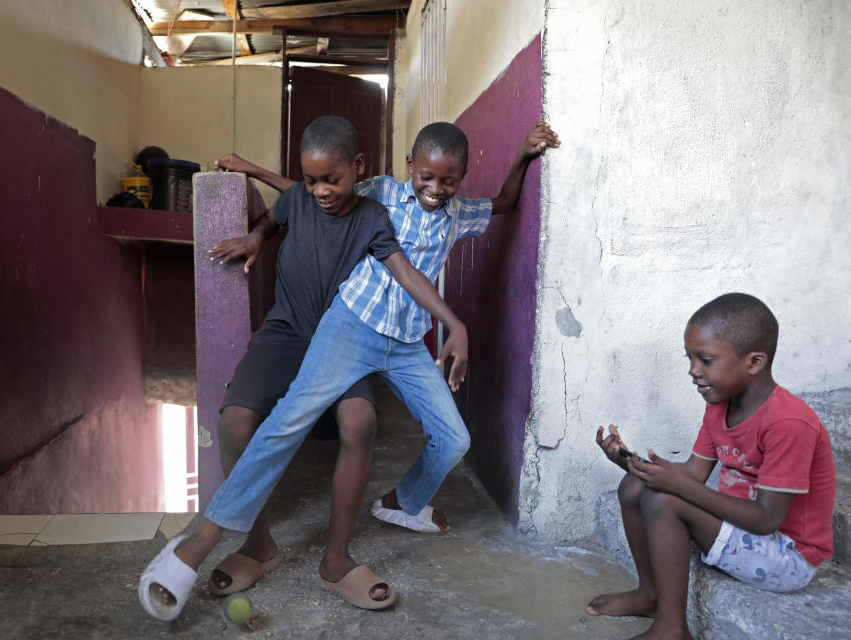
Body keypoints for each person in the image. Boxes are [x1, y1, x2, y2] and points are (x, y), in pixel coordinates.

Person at [139, 115, 470, 620]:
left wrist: (453, 323)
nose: (319, 191)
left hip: (341, 337)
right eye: (311, 179)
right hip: (288, 330)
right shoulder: (301, 197)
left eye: (330, 180)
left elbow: (404, 270)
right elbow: (280, 212)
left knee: (360, 422)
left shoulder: (374, 217)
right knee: (235, 421)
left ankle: (335, 561)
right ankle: (257, 545)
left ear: (357, 169)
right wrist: (255, 237)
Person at [215, 120, 559, 534]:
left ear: (461, 178)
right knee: (296, 415)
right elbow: (314, 191)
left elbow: (504, 202)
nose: (435, 188)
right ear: (410, 165)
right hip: (355, 325)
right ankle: (226, 521)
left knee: (454, 440)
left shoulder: (459, 212)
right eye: (426, 176)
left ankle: (402, 503)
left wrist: (523, 153)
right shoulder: (381, 192)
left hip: (408, 342)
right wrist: (252, 172)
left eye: (448, 181)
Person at [590, 293, 835, 640]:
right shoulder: (720, 405)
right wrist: (628, 463)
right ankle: (650, 595)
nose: (693, 371)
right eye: (690, 358)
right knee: (634, 487)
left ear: (753, 363)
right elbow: (692, 474)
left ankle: (673, 629)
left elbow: (767, 519)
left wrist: (680, 488)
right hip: (742, 530)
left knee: (665, 500)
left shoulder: (789, 422)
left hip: (787, 556)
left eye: (705, 360)